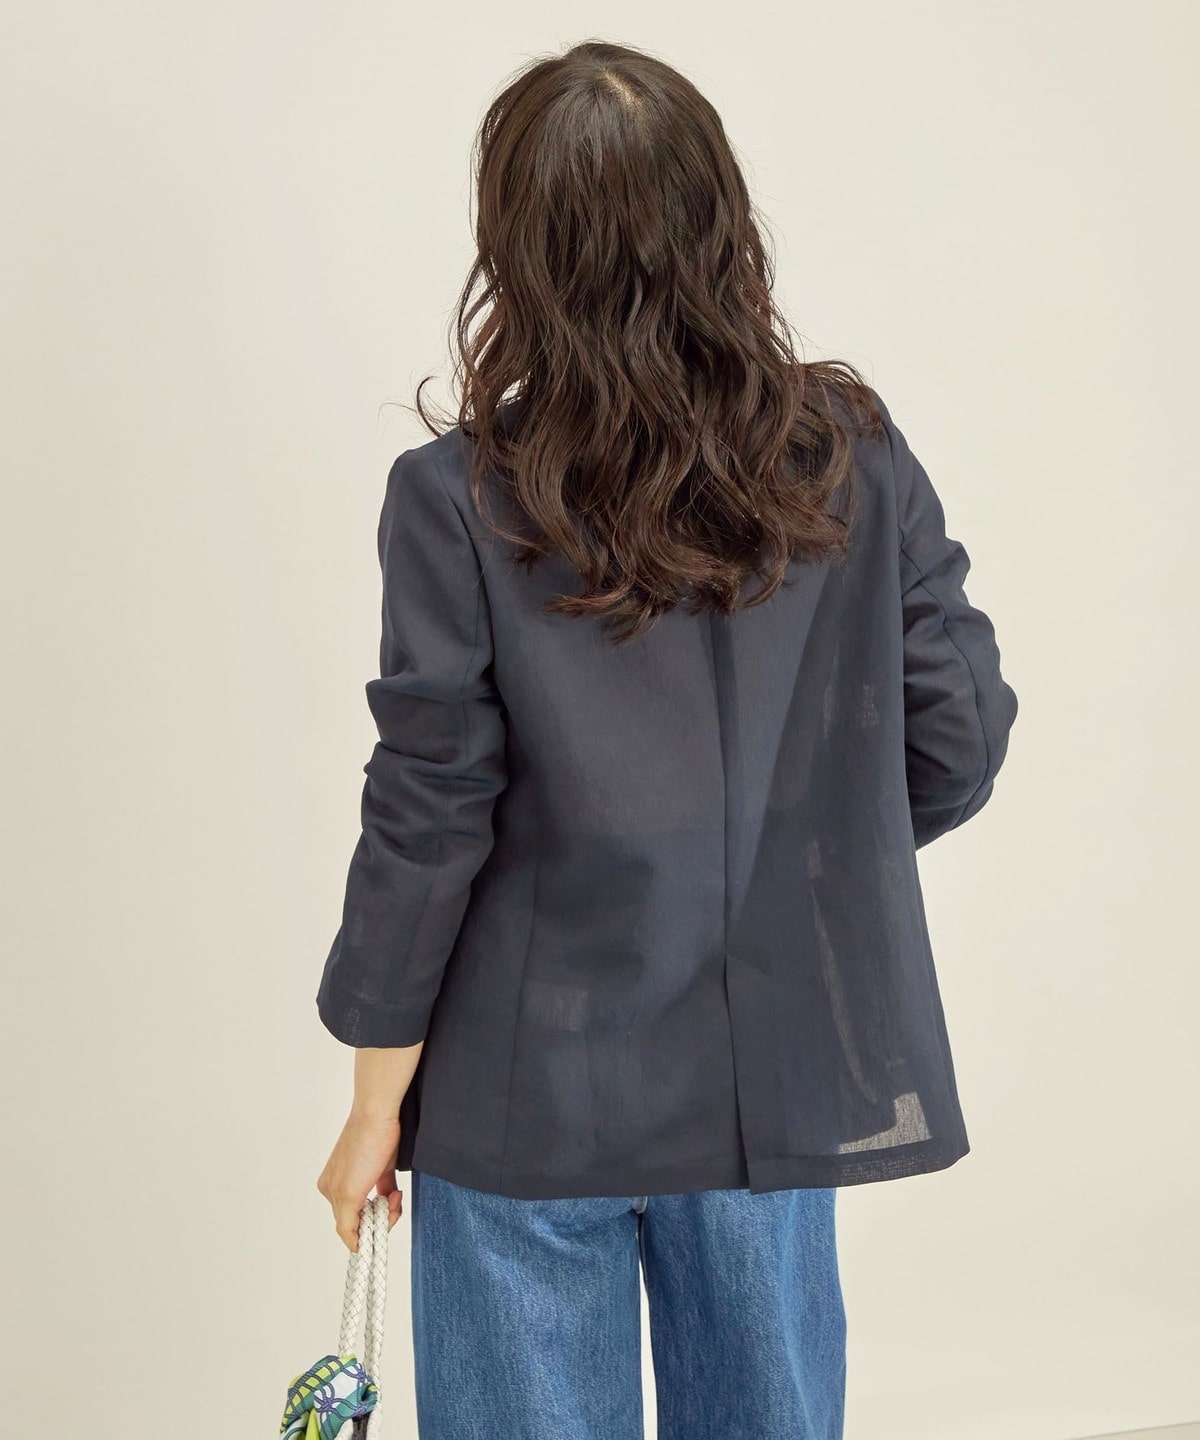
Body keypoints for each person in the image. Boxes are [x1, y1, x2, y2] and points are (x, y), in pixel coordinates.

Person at [313, 37, 1019, 1440]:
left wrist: (374, 1100)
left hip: (522, 1093)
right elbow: (957, 737)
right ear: (720, 217)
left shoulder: (455, 497)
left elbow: (429, 811)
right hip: (773, 1076)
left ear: (520, 248)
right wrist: (796, 857)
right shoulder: (850, 454)